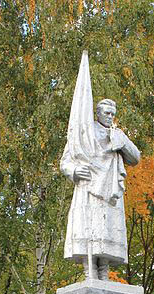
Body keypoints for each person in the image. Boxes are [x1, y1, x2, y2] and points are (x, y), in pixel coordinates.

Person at [60, 99, 141, 280]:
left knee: (107, 228)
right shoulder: (85, 133)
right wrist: (73, 170)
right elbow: (66, 161)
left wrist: (123, 144)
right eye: (107, 113)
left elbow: (135, 157)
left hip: (110, 188)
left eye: (113, 114)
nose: (110, 117)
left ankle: (104, 271)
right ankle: (89, 271)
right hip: (88, 185)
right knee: (88, 228)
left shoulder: (117, 134)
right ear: (97, 113)